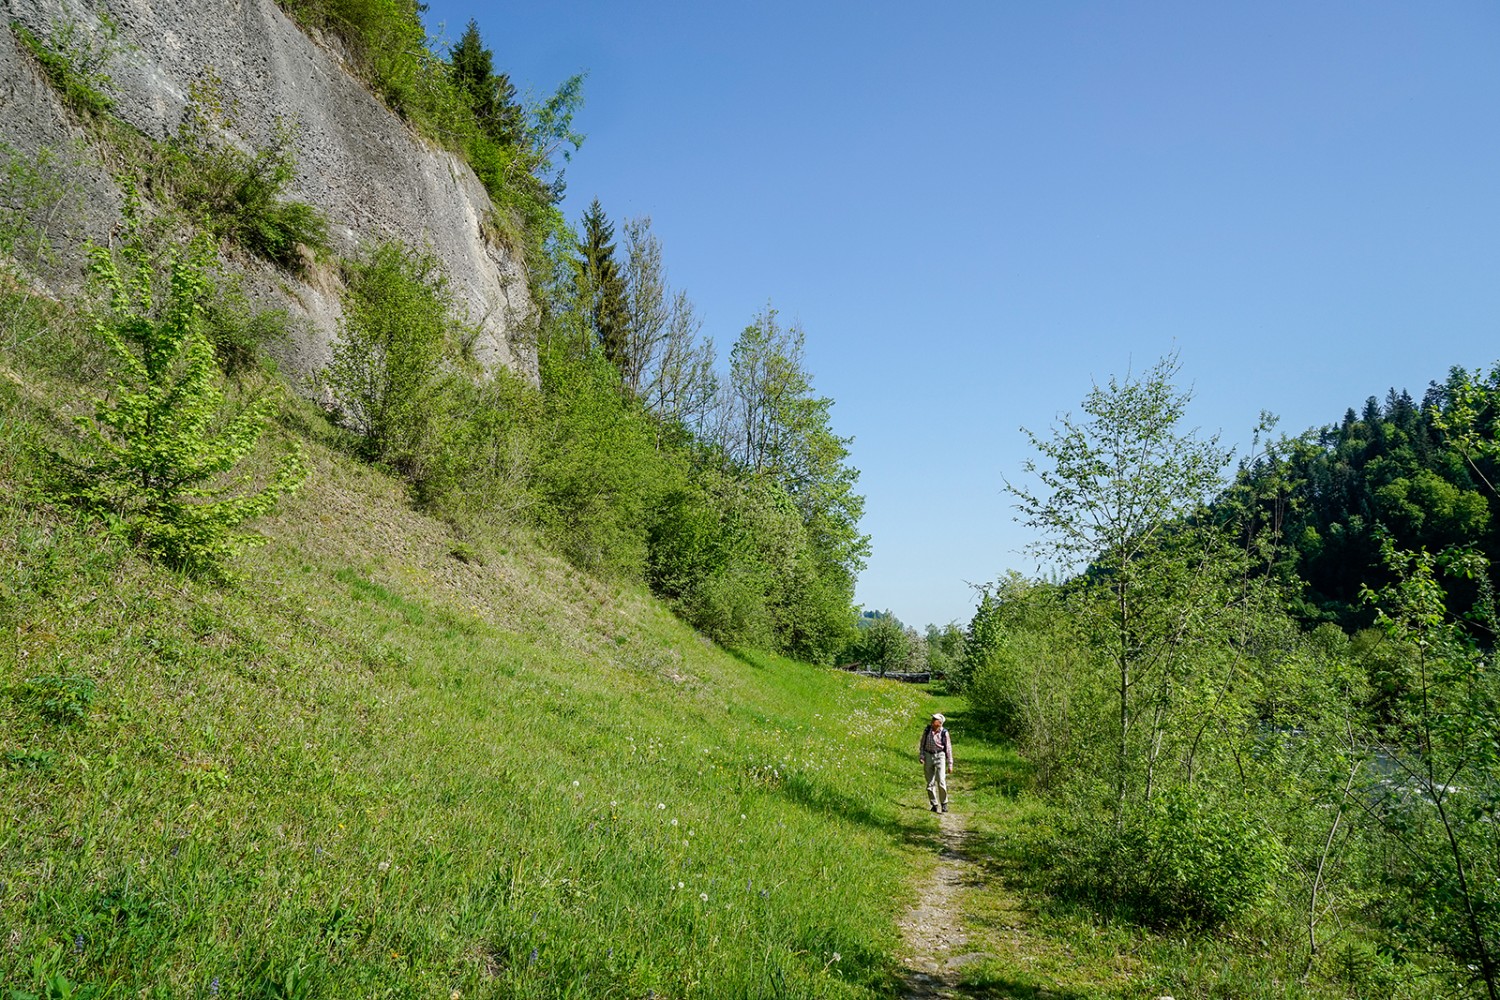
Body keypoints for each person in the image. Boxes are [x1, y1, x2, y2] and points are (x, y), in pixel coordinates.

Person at [917, 712, 954, 812]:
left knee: (941, 780)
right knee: (930, 783)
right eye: (932, 719)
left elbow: (948, 748)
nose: (932, 721)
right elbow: (922, 743)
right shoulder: (927, 730)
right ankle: (934, 804)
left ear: (940, 723)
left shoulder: (944, 733)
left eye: (935, 720)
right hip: (928, 755)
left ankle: (944, 803)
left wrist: (950, 764)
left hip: (940, 756)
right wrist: (921, 755)